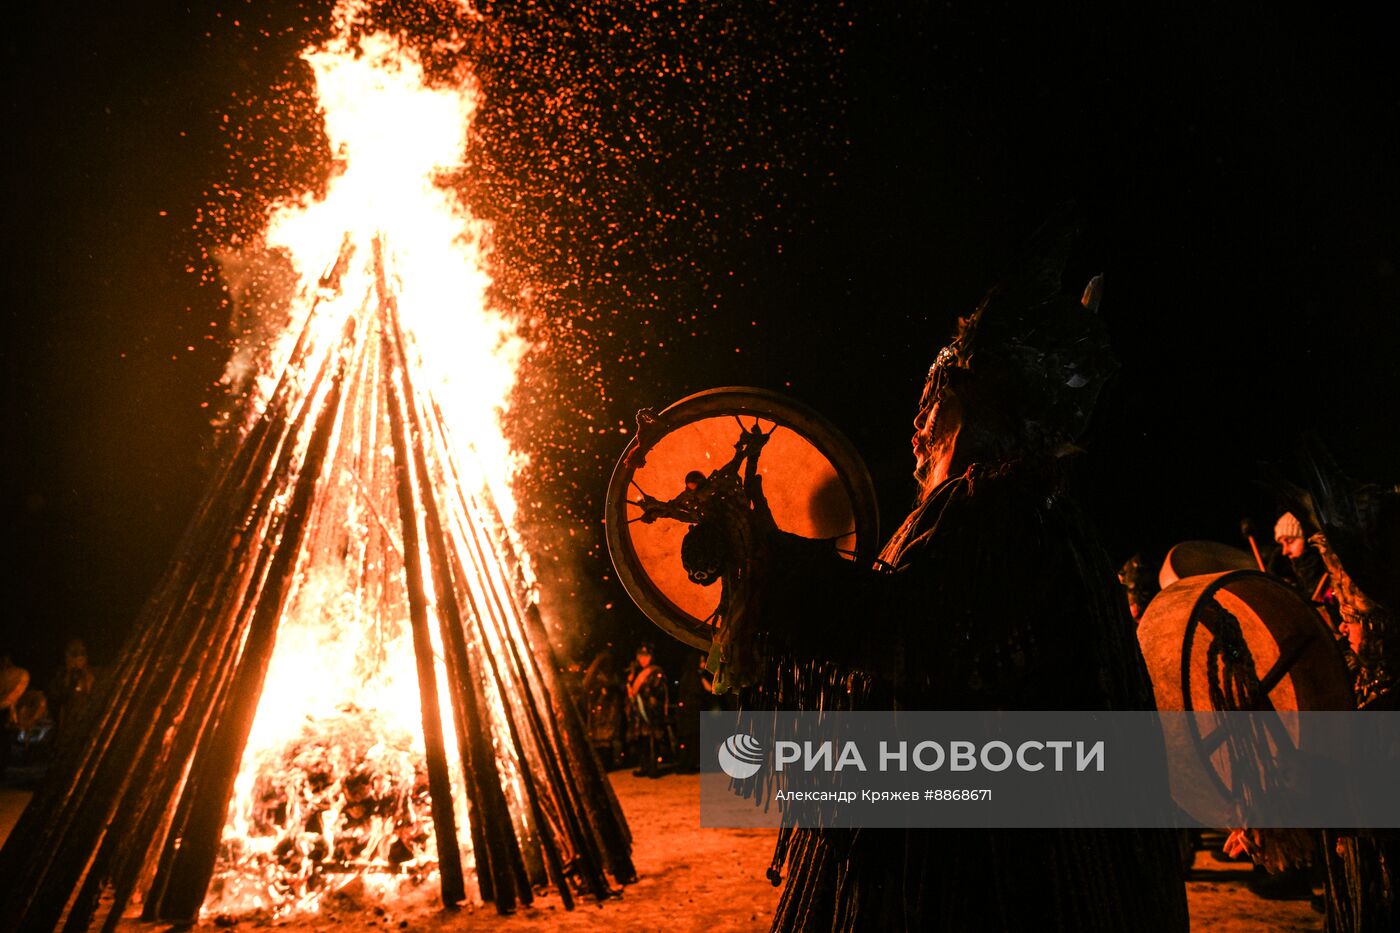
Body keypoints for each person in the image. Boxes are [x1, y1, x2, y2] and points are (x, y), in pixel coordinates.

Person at [707, 227, 1189, 930]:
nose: (913, 425)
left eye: (930, 402)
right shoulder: (1034, 515)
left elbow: (910, 637)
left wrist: (771, 566)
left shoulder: (998, 511)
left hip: (980, 871)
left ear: (980, 407)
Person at [625, 644, 671, 777]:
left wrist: (645, 695)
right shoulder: (637, 673)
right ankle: (644, 767)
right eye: (640, 656)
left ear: (651, 657)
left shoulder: (656, 672)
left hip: (652, 713)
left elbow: (658, 692)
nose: (643, 659)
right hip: (639, 714)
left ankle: (653, 768)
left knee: (652, 740)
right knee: (642, 741)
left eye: (646, 656)